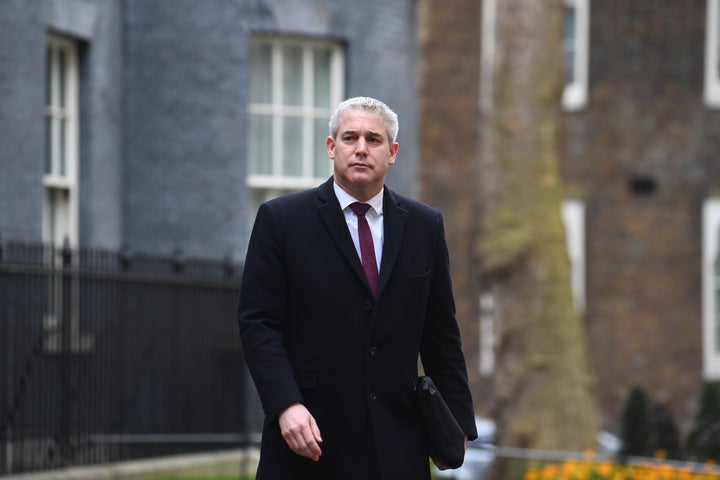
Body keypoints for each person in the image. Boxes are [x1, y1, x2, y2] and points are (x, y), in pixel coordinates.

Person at [237, 96, 477, 479]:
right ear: (332, 147)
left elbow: (441, 335)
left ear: (393, 152)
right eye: (350, 138)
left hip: (397, 442)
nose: (361, 148)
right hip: (308, 440)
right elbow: (258, 324)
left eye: (373, 139)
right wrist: (286, 405)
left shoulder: (424, 226)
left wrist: (458, 426)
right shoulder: (281, 221)